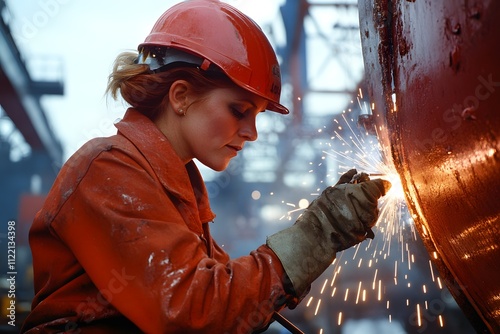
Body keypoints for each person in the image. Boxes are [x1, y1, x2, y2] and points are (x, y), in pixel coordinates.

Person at [21, 0, 391, 333]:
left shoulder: (177, 187)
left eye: (258, 116)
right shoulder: (109, 170)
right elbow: (193, 312)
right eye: (239, 111)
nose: (252, 134)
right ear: (181, 96)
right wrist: (320, 229)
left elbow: (231, 299)